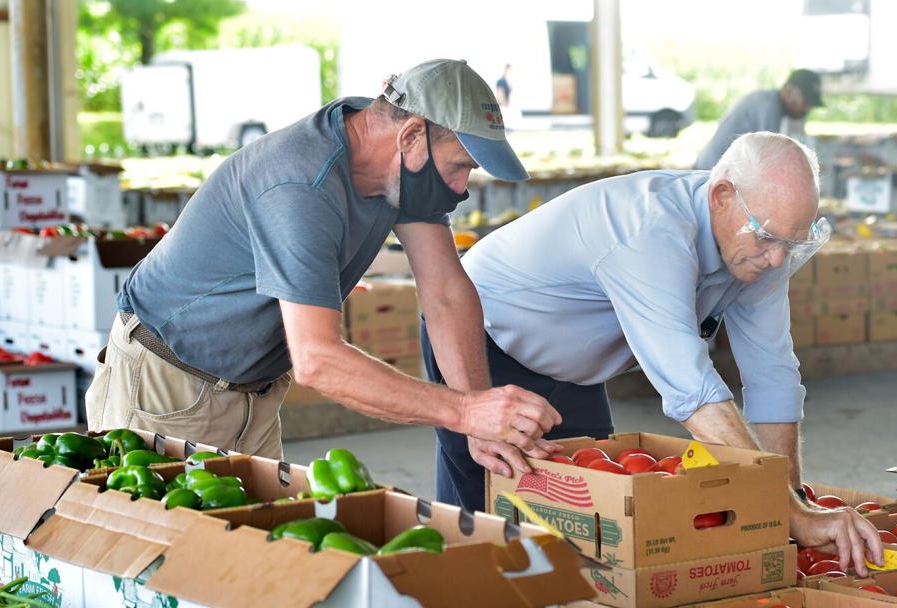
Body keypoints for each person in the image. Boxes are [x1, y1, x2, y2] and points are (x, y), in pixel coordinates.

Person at [423, 131, 883, 574]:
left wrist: (790, 502)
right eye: (767, 238)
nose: (778, 259)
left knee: (588, 516)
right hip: (482, 334)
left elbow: (772, 376)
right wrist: (787, 513)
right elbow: (690, 388)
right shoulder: (650, 232)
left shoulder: (764, 247)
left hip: (574, 365)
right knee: (487, 511)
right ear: (721, 196)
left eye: (793, 242)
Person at [87, 59, 561, 473]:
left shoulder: (397, 164)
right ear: (412, 134)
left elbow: (445, 293)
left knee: (249, 554)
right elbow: (318, 361)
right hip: (166, 385)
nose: (460, 188)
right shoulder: (301, 185)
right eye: (460, 166)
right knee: (158, 564)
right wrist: (463, 413)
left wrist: (478, 413)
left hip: (254, 391)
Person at [693, 69, 823, 171]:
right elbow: (771, 161)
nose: (808, 109)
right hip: (711, 173)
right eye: (806, 102)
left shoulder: (768, 100)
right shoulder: (769, 107)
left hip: (717, 169)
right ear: (788, 91)